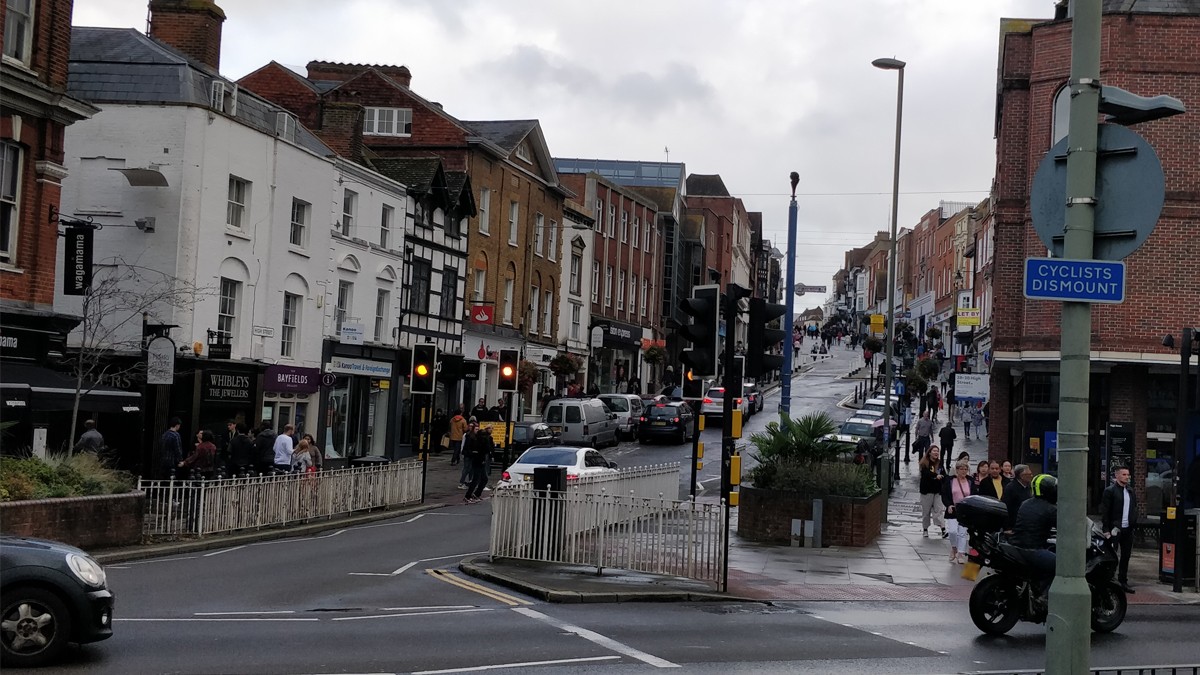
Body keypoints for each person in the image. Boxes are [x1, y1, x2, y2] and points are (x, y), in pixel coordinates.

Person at [1011, 474, 1059, 599]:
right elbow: (1065, 528)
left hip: (1017, 546)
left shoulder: (1026, 503)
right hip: (1032, 550)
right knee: (1062, 565)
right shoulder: (1051, 509)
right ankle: (1045, 596)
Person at [1101, 466, 1138, 594]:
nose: (1127, 477)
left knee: (1126, 556)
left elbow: (1134, 508)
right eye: (1124, 474)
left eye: (1128, 474)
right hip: (1114, 529)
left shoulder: (1130, 491)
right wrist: (1106, 529)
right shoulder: (1110, 491)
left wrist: (1133, 523)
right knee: (1112, 556)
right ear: (1116, 476)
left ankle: (1123, 581)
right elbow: (1105, 512)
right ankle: (1109, 581)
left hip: (1128, 529)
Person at [942, 460, 976, 563]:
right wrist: (948, 505)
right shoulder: (950, 481)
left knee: (962, 533)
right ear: (956, 470)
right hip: (953, 510)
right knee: (952, 531)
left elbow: (974, 495)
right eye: (961, 469)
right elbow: (945, 494)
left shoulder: (970, 481)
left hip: (965, 511)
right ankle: (954, 548)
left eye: (966, 469)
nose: (964, 471)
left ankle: (960, 553)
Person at [462, 419, 494, 503]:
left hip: (479, 461)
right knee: (476, 479)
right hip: (478, 461)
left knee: (483, 479)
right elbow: (482, 450)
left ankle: (476, 494)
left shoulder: (479, 439)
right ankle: (468, 496)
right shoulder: (476, 439)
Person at [919, 446, 948, 538]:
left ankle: (943, 529)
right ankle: (925, 529)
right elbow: (926, 474)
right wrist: (936, 476)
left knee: (939, 510)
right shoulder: (925, 463)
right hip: (927, 491)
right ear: (929, 452)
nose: (936, 453)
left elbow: (944, 474)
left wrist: (945, 480)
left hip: (937, 491)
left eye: (937, 451)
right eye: (934, 451)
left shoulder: (939, 463)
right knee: (926, 512)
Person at [1002, 464, 1033, 531]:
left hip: (1027, 524)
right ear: (1021, 476)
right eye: (1029, 474)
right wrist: (1007, 527)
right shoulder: (1010, 488)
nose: (1031, 476)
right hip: (1014, 525)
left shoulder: (1029, 487)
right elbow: (1006, 508)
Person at [459, 416, 479, 488]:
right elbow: (465, 445)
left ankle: (470, 481)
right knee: (466, 468)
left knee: (471, 468)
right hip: (468, 454)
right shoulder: (468, 435)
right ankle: (461, 482)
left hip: (470, 454)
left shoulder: (473, 436)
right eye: (476, 429)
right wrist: (463, 452)